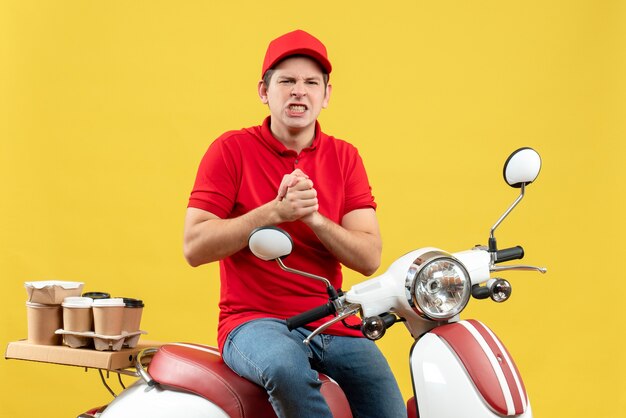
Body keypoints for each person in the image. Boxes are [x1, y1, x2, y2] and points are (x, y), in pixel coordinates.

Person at [183, 29, 406, 418]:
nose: (298, 91)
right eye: (286, 81)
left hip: (331, 320)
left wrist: (313, 218)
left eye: (310, 83)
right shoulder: (231, 150)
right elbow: (195, 246)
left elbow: (369, 255)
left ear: (326, 95)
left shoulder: (345, 157)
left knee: (384, 399)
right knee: (286, 369)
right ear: (264, 91)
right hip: (252, 322)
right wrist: (273, 213)